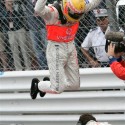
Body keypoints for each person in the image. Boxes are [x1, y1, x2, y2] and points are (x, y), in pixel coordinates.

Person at [30, 0, 102, 100]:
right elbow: (38, 9)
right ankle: (38, 85)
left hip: (70, 46)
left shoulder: (79, 6)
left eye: (78, 14)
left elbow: (95, 2)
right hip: (56, 48)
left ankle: (52, 82)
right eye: (73, 14)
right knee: (57, 89)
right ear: (66, 8)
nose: (75, 17)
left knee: (75, 85)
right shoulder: (53, 12)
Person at [3, 0, 31, 71]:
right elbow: (3, 19)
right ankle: (18, 68)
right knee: (14, 50)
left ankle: (28, 67)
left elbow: (21, 16)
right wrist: (7, 11)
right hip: (10, 31)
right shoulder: (3, 9)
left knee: (24, 49)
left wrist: (13, 10)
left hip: (20, 29)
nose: (10, 1)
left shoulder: (18, 6)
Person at [22, 0, 48, 70]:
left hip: (43, 26)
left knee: (47, 47)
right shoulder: (26, 2)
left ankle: (50, 65)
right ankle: (43, 67)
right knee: (37, 49)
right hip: (32, 27)